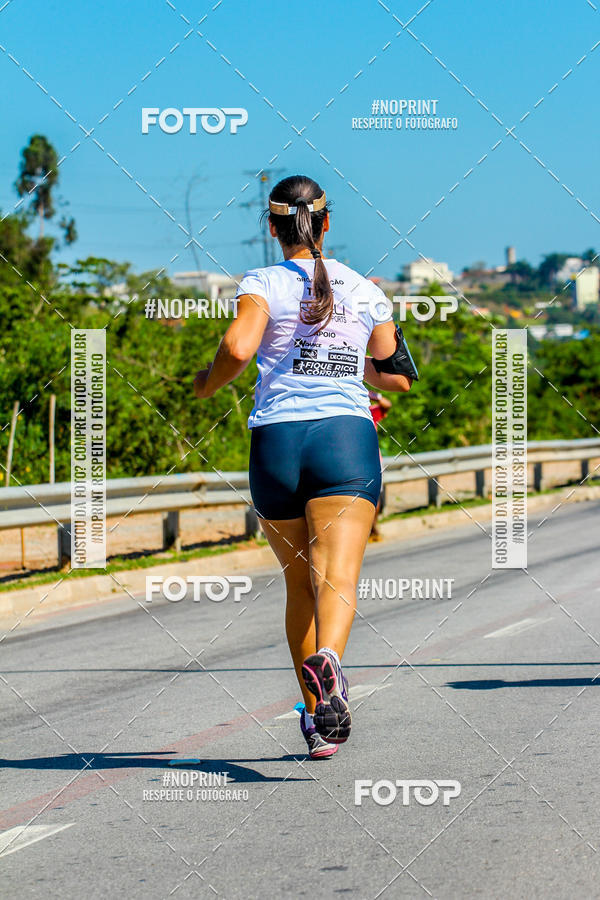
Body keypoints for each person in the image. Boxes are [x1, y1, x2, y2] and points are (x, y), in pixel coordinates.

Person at [193, 175, 415, 759]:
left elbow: (239, 350)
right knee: (334, 577)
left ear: (271, 228)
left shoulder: (262, 283)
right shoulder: (367, 291)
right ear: (326, 223)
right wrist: (347, 360)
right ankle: (333, 665)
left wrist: (204, 385)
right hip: (345, 439)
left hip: (277, 444)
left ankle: (318, 721)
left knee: (298, 586)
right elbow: (396, 375)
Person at [368, 390, 392, 541]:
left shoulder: (370, 413)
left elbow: (387, 405)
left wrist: (373, 396)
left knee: (374, 497)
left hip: (374, 460)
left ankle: (373, 527)